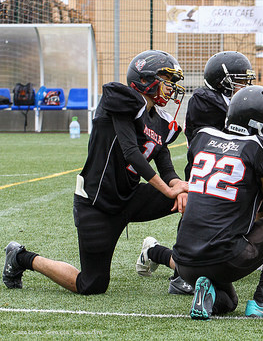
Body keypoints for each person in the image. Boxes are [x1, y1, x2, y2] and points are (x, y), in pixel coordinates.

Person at [3, 50, 189, 294]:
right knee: (91, 285)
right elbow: (130, 151)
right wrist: (167, 190)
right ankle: (21, 257)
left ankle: (175, 267)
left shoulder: (161, 120)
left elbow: (164, 163)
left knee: (196, 200)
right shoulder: (121, 101)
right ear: (145, 79)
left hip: (130, 197)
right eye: (167, 80)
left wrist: (178, 187)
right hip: (97, 204)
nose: (171, 87)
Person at [170, 86, 263, 319]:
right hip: (223, 257)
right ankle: (262, 301)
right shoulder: (259, 149)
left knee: (229, 303)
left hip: (184, 262)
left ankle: (206, 289)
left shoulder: (203, 138)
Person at [135, 50, 256, 294]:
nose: (244, 86)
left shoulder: (226, 100)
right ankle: (178, 274)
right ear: (221, 80)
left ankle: (156, 253)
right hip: (208, 171)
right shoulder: (205, 99)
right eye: (238, 80)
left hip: (232, 168)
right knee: (198, 219)